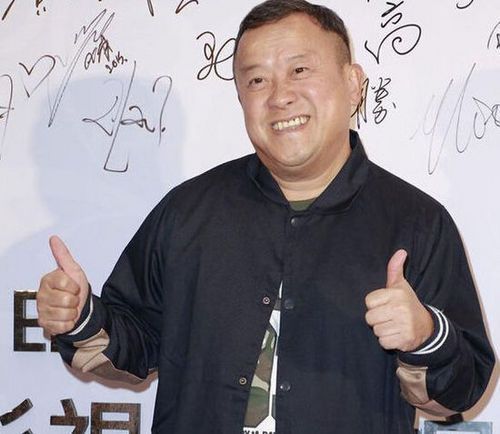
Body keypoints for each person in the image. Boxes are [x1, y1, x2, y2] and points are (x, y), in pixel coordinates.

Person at [37, 1, 495, 433]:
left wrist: (425, 336)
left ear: (353, 83)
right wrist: (80, 318)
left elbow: (459, 394)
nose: (280, 97)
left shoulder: (417, 222)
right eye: (257, 80)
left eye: (299, 70)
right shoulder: (187, 213)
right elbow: (133, 345)